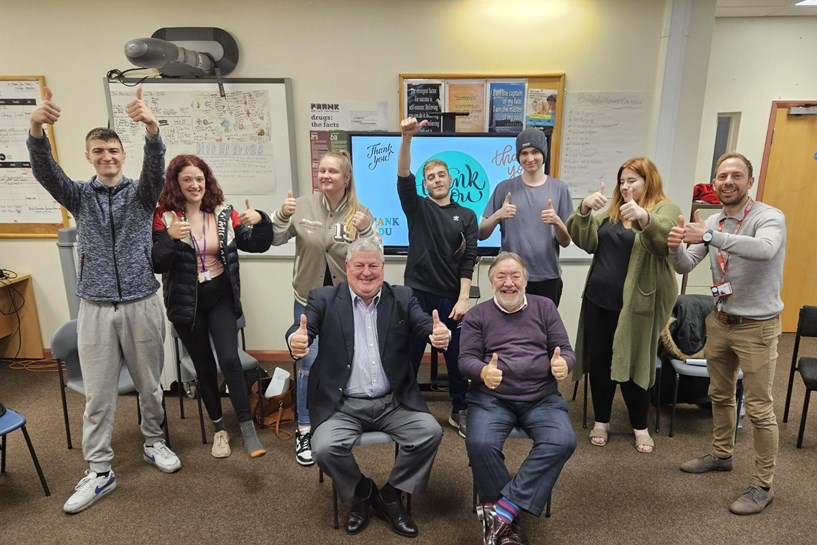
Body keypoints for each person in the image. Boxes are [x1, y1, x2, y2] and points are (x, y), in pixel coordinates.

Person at [27, 87, 180, 514]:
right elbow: (45, 173)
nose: (107, 156)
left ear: (122, 154)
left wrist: (151, 129)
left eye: (113, 149)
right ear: (90, 155)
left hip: (141, 303)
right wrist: (36, 127)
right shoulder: (79, 195)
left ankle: (154, 442)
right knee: (98, 395)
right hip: (94, 308)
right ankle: (99, 470)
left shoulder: (141, 194)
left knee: (150, 385)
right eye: (99, 151)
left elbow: (156, 169)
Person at [286, 238, 448, 538]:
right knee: (322, 447)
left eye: (373, 265)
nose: (366, 272)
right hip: (343, 405)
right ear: (347, 267)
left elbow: (424, 323)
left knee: (429, 432)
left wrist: (437, 334)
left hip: (392, 402)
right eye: (359, 265)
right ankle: (362, 490)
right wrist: (296, 340)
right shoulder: (323, 298)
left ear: (383, 268)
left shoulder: (402, 296)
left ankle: (390, 494)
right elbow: (302, 329)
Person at [668, 152, 785, 515]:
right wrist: (673, 247)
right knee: (719, 394)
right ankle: (722, 454)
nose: (728, 182)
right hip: (721, 320)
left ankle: (763, 485)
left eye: (736, 175)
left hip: (757, 327)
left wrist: (707, 234)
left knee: (760, 408)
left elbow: (764, 251)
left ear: (750, 182)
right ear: (714, 183)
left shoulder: (769, 217)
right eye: (721, 176)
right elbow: (688, 263)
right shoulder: (716, 221)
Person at [151, 154, 273, 459]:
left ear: (208, 182)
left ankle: (245, 428)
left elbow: (255, 243)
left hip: (220, 295)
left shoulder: (222, 212)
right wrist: (168, 238)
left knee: (230, 360)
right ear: (176, 183)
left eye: (200, 179)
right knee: (204, 368)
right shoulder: (164, 216)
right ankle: (220, 429)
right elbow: (157, 262)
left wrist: (260, 220)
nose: (195, 185)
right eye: (187, 180)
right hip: (186, 303)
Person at [459, 252, 576, 545]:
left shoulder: (545, 307)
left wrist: (565, 364)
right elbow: (465, 359)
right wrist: (483, 370)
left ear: (526, 280)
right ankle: (507, 523)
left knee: (563, 441)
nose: (508, 283)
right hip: (492, 398)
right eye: (501, 276)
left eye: (515, 276)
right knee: (479, 443)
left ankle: (502, 510)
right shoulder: (477, 315)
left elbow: (566, 349)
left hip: (540, 396)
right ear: (491, 282)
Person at [272, 151, 379, 466]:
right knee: (309, 361)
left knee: (347, 361)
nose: (326, 175)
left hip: (349, 304)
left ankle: (341, 418)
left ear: (346, 177)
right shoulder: (302, 205)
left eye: (333, 171)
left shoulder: (359, 212)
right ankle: (304, 427)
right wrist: (280, 214)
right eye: (322, 170)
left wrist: (368, 229)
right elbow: (276, 239)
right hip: (308, 301)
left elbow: (374, 256)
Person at [567, 157, 679, 453]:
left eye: (633, 180)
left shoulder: (664, 209)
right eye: (623, 180)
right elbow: (587, 241)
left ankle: (639, 426)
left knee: (635, 363)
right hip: (597, 300)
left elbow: (664, 241)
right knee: (601, 361)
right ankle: (601, 420)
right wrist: (584, 209)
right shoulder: (613, 212)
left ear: (648, 181)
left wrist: (643, 217)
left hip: (636, 306)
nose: (626, 186)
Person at [397, 117, 478, 437]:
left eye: (441, 174)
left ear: (450, 179)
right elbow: (403, 173)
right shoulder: (416, 208)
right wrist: (407, 139)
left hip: (450, 299)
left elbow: (469, 260)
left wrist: (462, 299)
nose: (436, 180)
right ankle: (406, 406)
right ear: (425, 184)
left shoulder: (468, 216)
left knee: (457, 357)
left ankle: (460, 409)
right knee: (410, 354)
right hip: (416, 293)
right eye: (430, 177)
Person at [479, 128, 573, 306]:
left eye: (535, 152)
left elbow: (566, 241)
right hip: (511, 278)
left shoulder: (559, 189)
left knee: (543, 331)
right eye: (524, 153)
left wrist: (557, 222)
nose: (530, 159)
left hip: (548, 276)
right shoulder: (504, 188)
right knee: (509, 330)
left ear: (543, 154)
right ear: (518, 157)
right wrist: (498, 215)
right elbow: (481, 233)